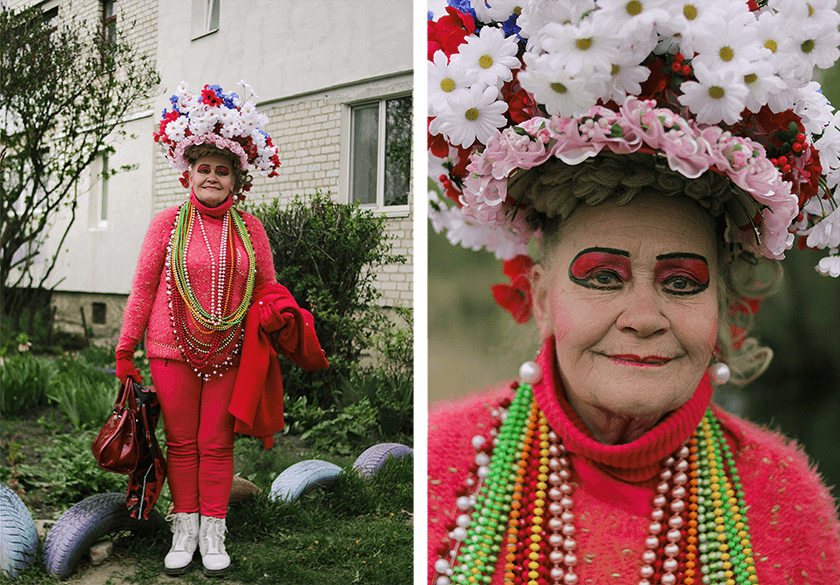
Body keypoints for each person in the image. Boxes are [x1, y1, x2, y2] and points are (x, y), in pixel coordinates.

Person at [427, 1, 840, 583]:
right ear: (542, 299)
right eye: (601, 277)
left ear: (721, 301)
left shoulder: (786, 500)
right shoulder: (440, 467)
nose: (645, 317)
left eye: (681, 282)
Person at [115, 81, 326, 577]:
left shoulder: (250, 230)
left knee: (216, 443)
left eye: (222, 170)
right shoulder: (166, 224)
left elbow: (268, 287)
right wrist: (126, 348)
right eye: (204, 169)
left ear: (236, 179)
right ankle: (184, 528)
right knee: (181, 442)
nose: (212, 177)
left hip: (231, 351)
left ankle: (213, 530)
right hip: (171, 350)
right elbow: (144, 288)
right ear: (189, 174)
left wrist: (277, 312)